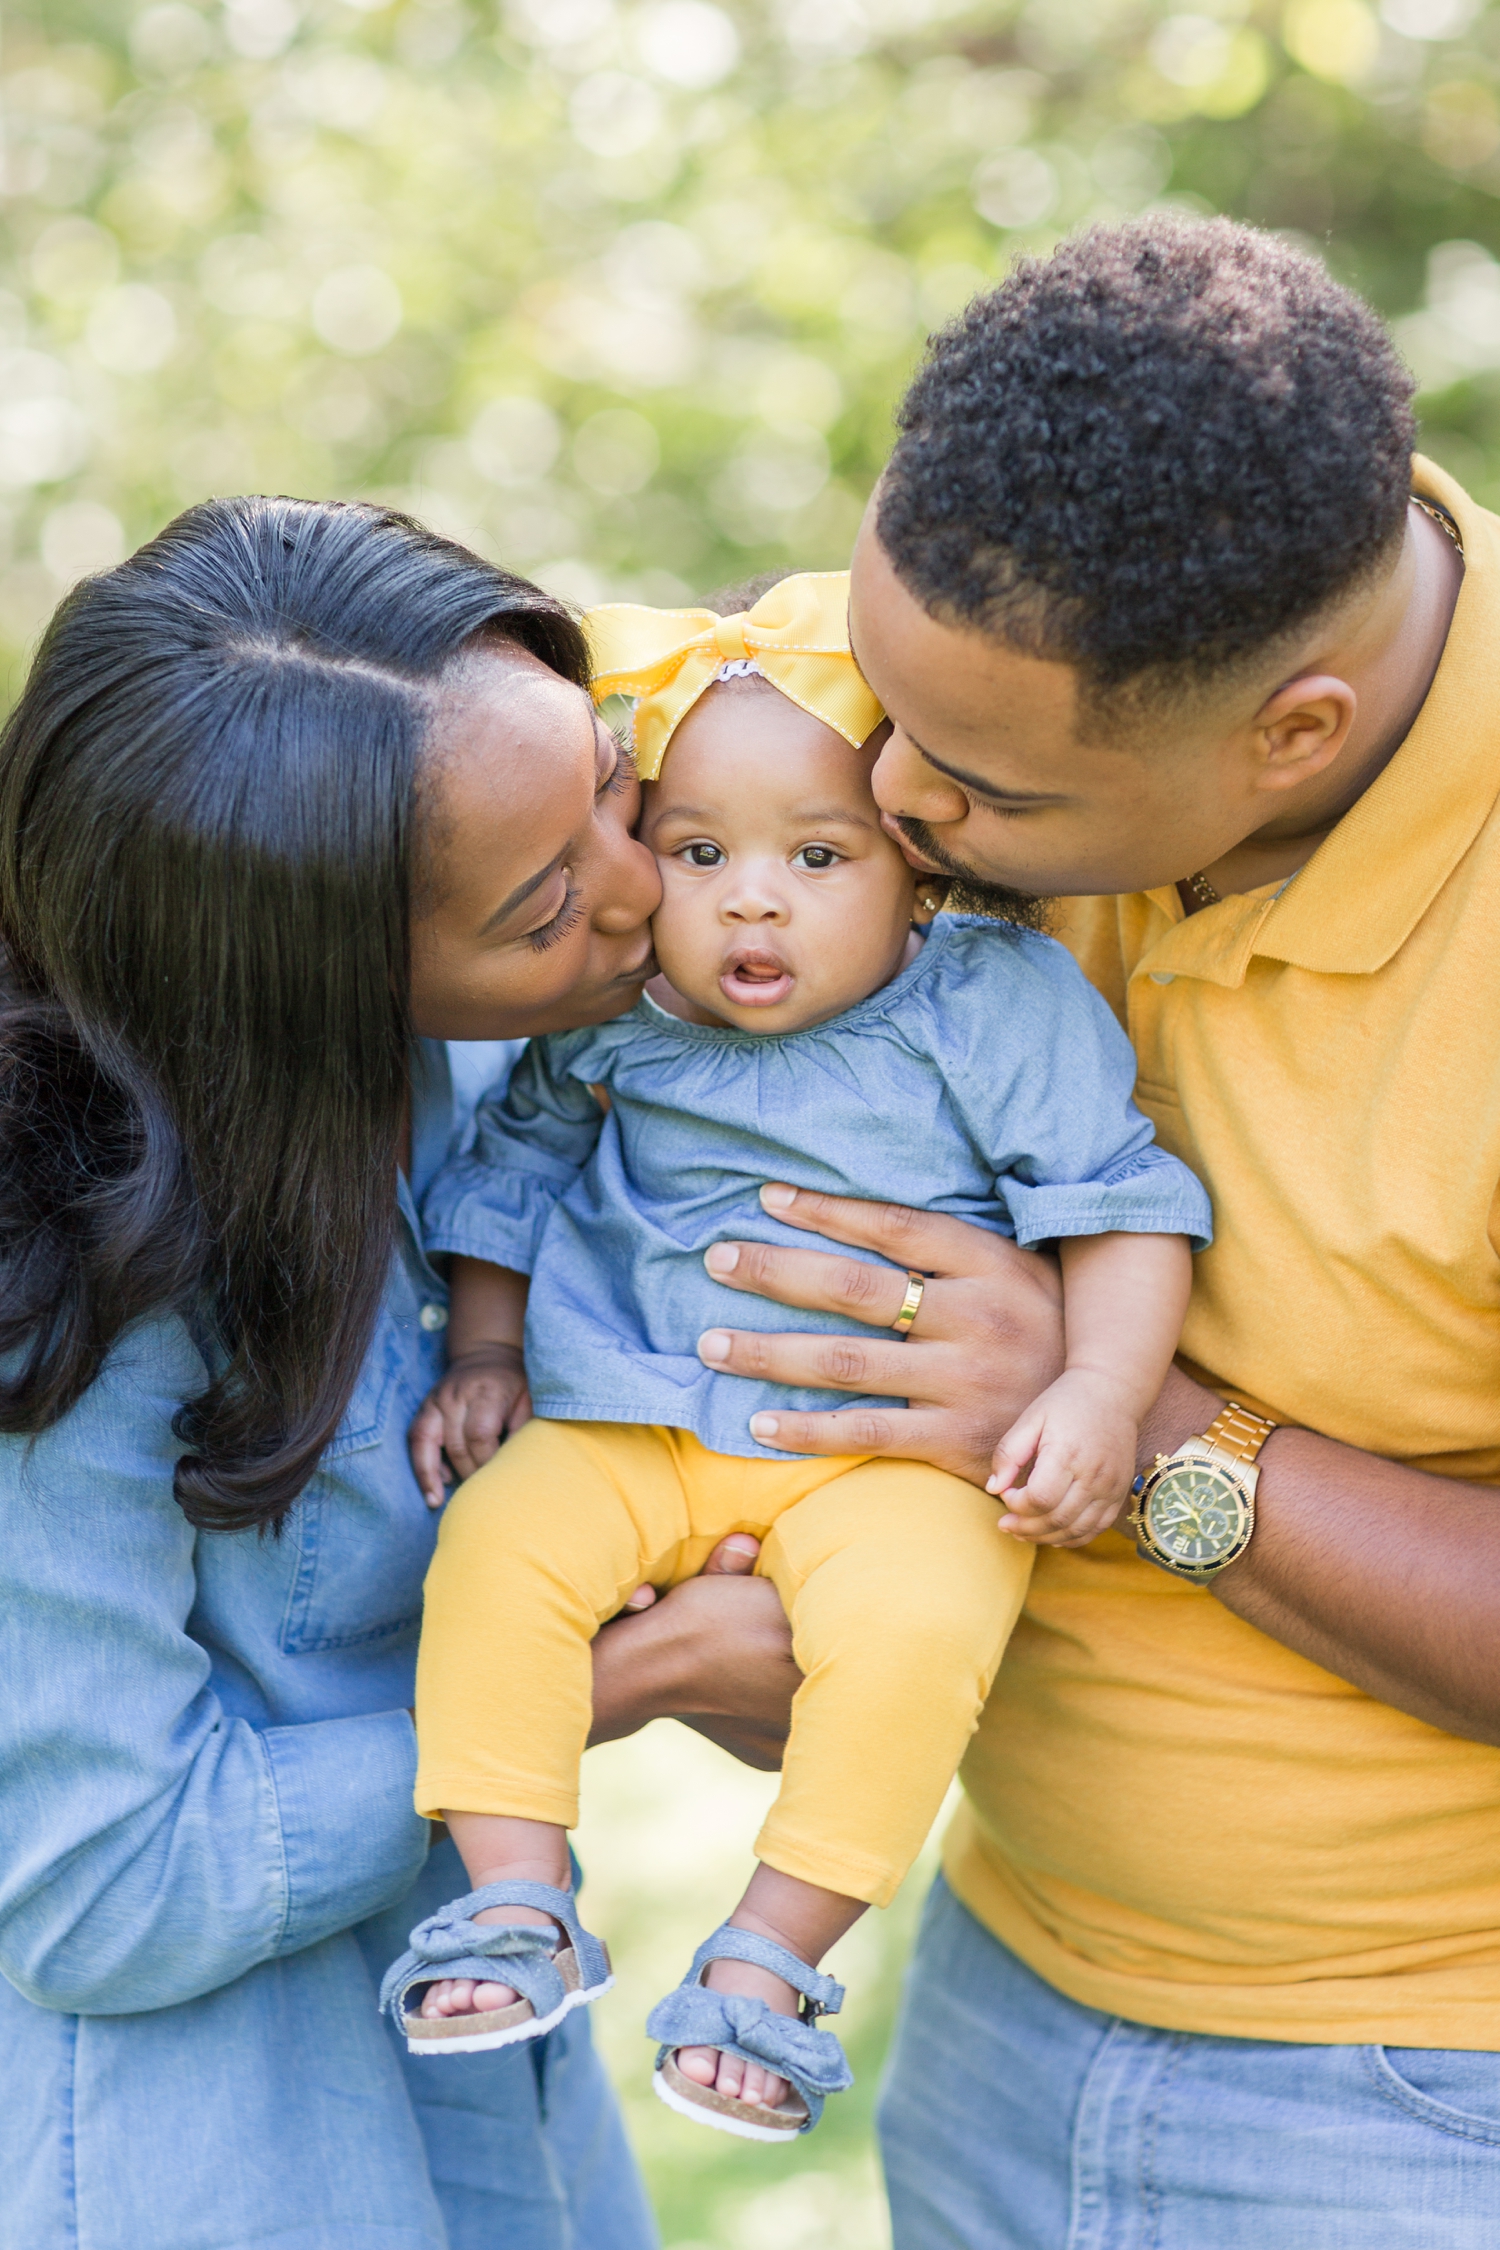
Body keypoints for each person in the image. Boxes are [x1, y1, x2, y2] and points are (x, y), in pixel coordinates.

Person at [762, 216, 1500, 2245]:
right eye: (881, 697)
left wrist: (1129, 1425)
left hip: (1419, 2102)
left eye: (980, 786)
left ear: (1298, 733)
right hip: (997, 1990)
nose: (886, 793)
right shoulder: (961, 674)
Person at [0, 493, 794, 2250]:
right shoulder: (66, 1266)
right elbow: (102, 1883)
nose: (645, 882)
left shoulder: (488, 1080)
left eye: (608, 778)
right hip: (206, 2142)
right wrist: (613, 1676)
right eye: (539, 909)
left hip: (478, 2051)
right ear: (307, 992)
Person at [376, 573, 1209, 2144]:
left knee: (921, 1624)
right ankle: (512, 1895)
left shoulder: (988, 1004)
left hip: (877, 1456)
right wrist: (486, 1347)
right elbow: (520, 1165)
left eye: (816, 857)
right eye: (699, 854)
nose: (750, 902)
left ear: (917, 868)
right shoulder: (626, 1009)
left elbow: (1116, 1208)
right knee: (493, 1548)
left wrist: (1100, 1392)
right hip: (628, 1411)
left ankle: (773, 1954)